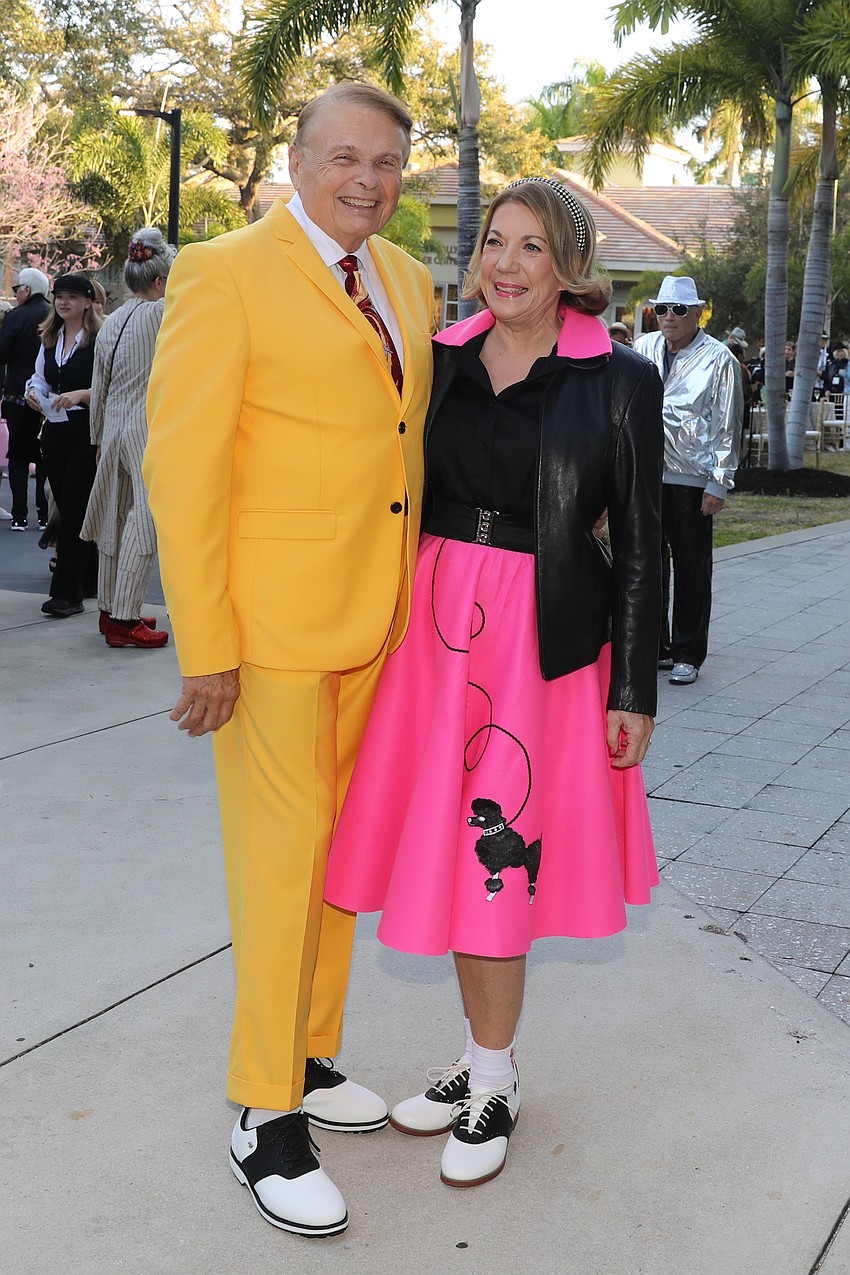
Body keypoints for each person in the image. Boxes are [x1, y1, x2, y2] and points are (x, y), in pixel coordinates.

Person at [325, 176, 664, 1190]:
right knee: (446, 848)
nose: (505, 265)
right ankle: (483, 1060)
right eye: (494, 243)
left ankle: (492, 1079)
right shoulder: (437, 360)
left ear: (570, 268)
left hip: (539, 645)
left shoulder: (618, 379)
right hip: (432, 640)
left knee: (495, 859)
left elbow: (642, 545)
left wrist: (634, 686)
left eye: (531, 248)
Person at [143, 83, 435, 1238]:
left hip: (378, 624)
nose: (368, 179)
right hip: (267, 638)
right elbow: (183, 468)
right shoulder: (222, 272)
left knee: (338, 860)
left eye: (387, 161)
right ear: (298, 162)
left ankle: (310, 1053)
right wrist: (206, 644)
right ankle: (263, 1111)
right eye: (345, 157)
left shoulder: (405, 278)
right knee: (277, 870)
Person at [634, 276, 742, 686]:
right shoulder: (642, 348)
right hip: (644, 475)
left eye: (678, 309)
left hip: (692, 479)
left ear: (697, 313)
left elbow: (728, 423)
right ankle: (657, 646)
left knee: (692, 567)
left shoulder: (719, 359)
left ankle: (688, 652)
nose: (669, 317)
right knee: (647, 565)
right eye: (661, 309)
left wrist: (719, 482)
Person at [81, 230, 173, 649]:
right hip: (145, 428)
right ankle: (125, 616)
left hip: (113, 427)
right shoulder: (161, 313)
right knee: (146, 517)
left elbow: (98, 386)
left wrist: (97, 437)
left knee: (114, 518)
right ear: (158, 280)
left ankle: (110, 608)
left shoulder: (112, 320)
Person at [25, 273, 102, 618]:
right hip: (54, 432)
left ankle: (66, 594)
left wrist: (81, 394)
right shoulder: (50, 338)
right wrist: (33, 392)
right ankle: (89, 578)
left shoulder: (99, 339)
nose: (63, 302)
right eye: (59, 296)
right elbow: (39, 378)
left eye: (72, 296)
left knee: (73, 509)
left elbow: (111, 387)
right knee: (69, 505)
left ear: (87, 302)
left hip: (86, 431)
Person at [0, 267, 51, 531]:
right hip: (49, 396)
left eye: (17, 289)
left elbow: (2, 353)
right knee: (44, 455)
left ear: (27, 290)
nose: (16, 294)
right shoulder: (54, 315)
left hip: (18, 395)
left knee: (18, 456)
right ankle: (44, 514)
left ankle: (19, 515)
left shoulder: (16, 316)